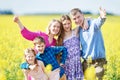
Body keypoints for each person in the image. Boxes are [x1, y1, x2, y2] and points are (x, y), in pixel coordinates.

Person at [70, 7, 107, 80]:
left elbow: (99, 21)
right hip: (86, 63)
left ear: (82, 15)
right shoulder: (79, 30)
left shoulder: (93, 24)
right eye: (74, 19)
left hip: (98, 63)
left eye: (78, 17)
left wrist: (102, 16)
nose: (77, 20)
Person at [57, 15, 83, 80]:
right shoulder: (60, 38)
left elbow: (84, 20)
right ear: (61, 26)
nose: (67, 26)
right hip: (67, 67)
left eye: (68, 23)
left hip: (77, 64)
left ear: (71, 23)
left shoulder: (75, 32)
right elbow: (59, 55)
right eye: (64, 24)